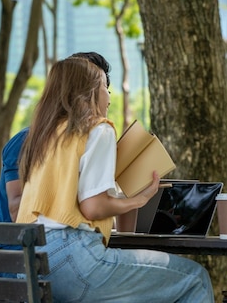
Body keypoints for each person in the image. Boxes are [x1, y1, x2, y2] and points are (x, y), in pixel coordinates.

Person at [16, 57, 214, 302]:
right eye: (104, 87)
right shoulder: (98, 129)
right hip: (74, 261)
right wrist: (138, 200)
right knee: (195, 278)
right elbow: (93, 206)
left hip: (31, 263)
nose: (108, 97)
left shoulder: (44, 135)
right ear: (87, 92)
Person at [0, 52, 112, 226]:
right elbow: (17, 211)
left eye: (104, 88)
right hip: (22, 248)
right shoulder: (26, 140)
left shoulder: (92, 142)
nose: (107, 97)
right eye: (96, 87)